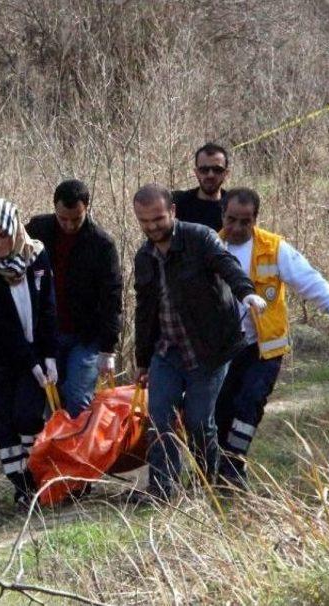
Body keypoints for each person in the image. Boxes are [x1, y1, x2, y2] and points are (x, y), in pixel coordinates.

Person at [215, 187, 329, 487]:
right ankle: (212, 470)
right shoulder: (210, 246)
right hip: (220, 348)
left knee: (249, 404)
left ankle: (232, 469)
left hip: (263, 347)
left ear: (256, 219)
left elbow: (310, 281)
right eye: (231, 220)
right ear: (222, 215)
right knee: (220, 410)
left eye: (246, 221)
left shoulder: (273, 248)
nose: (238, 228)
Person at [132, 184, 266, 501]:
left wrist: (246, 292)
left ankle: (207, 482)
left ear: (173, 212)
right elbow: (144, 311)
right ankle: (162, 488)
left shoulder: (200, 238)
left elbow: (226, 265)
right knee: (159, 416)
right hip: (167, 351)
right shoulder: (144, 256)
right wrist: (142, 359)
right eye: (144, 221)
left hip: (210, 348)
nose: (152, 227)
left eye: (158, 219)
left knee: (197, 420)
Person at [0, 198, 58, 506]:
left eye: (3, 235)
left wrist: (47, 356)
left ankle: (39, 476)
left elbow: (48, 307)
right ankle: (22, 486)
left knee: (27, 415)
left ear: (15, 229)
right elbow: (1, 324)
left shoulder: (37, 255)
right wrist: (31, 363)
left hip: (34, 351)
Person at [26, 179, 123, 418]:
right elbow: (6, 250)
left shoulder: (102, 244)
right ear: (55, 209)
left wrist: (108, 350)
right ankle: (53, 451)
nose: (69, 225)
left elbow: (112, 297)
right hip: (47, 333)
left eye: (76, 219)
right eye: (63, 218)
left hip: (85, 336)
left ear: (86, 209)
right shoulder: (38, 230)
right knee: (47, 397)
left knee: (78, 397)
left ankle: (80, 454)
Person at [173, 142, 231, 231]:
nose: (210, 175)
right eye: (204, 170)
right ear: (196, 172)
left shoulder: (233, 207)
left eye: (217, 170)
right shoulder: (177, 203)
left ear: (226, 173)